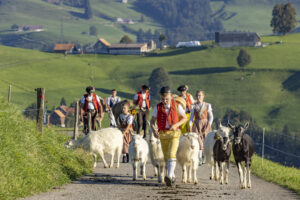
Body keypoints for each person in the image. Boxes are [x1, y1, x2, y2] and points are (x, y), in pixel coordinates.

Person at [150, 86, 187, 186]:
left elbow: (184, 118)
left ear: (171, 96)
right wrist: (154, 130)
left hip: (174, 134)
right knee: (166, 157)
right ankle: (172, 176)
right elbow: (152, 121)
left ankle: (169, 176)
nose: (165, 101)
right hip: (163, 134)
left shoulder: (176, 105)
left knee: (171, 154)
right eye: (163, 99)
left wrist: (176, 125)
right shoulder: (157, 107)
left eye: (167, 99)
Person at [189, 90, 213, 165]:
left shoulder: (207, 105)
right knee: (198, 140)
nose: (198, 97)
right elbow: (191, 117)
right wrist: (190, 126)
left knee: (205, 140)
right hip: (196, 123)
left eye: (200, 95)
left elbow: (211, 116)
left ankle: (204, 156)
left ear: (203, 96)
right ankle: (199, 158)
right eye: (197, 95)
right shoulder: (193, 106)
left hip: (205, 123)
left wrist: (208, 124)